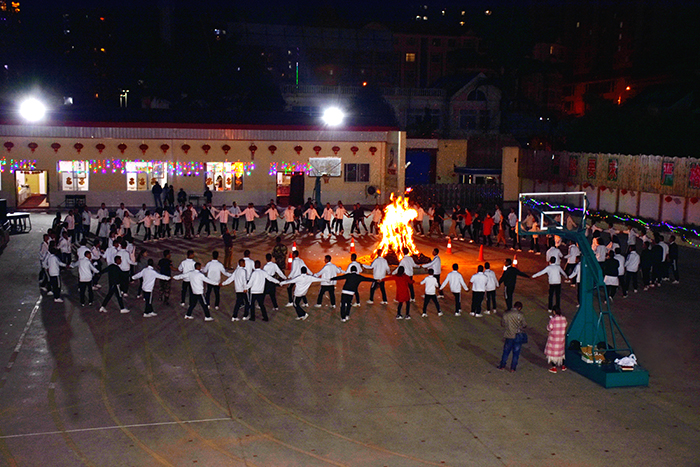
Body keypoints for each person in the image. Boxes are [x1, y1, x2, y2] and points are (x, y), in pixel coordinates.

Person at [497, 301, 527, 372]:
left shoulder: (506, 314)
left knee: (506, 352)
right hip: (518, 335)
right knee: (516, 353)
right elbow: (524, 324)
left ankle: (502, 365)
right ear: (519, 308)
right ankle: (513, 368)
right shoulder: (520, 315)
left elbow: (503, 324)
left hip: (509, 334)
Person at [544, 306, 567, 373]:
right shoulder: (564, 318)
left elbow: (549, 328)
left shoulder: (553, 320)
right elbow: (565, 325)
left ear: (554, 312)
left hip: (553, 339)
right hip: (561, 338)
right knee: (561, 353)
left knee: (552, 354)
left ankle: (554, 367)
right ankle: (563, 366)